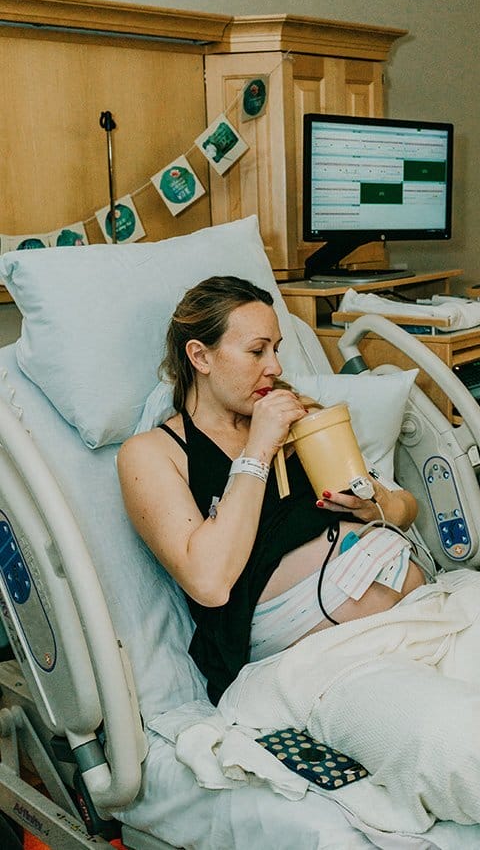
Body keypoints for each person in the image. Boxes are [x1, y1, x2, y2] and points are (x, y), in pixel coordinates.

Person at [117, 275, 431, 705]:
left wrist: (377, 506)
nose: (276, 368)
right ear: (200, 356)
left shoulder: (300, 418)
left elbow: (405, 509)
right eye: (256, 351)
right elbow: (209, 582)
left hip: (415, 618)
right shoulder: (153, 453)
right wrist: (258, 447)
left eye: (277, 349)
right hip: (315, 658)